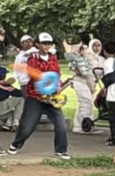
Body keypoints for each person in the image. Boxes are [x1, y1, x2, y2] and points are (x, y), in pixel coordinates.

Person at [6, 32, 69, 160]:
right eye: (44, 43)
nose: (46, 46)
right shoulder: (32, 58)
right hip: (35, 97)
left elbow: (57, 74)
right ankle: (16, 144)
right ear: (38, 44)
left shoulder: (53, 58)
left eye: (49, 44)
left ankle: (61, 150)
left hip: (51, 98)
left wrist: (57, 86)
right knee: (28, 126)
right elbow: (33, 76)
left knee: (61, 123)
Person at [63, 38, 98, 133]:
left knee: (83, 104)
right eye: (82, 49)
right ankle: (87, 125)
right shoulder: (77, 59)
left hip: (89, 82)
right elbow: (81, 71)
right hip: (80, 82)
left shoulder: (89, 57)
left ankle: (78, 126)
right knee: (86, 104)